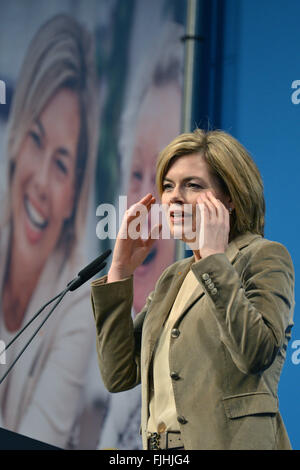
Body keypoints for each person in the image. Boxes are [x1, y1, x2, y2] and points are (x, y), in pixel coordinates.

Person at [91, 128, 295, 450]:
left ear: (230, 197)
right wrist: (120, 272)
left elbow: (255, 353)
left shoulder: (263, 256)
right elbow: (119, 374)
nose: (173, 196)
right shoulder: (173, 278)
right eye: (168, 186)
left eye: (192, 185)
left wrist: (214, 258)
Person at [0, 14, 100, 448]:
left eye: (61, 164)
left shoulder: (79, 299)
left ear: (76, 188)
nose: (40, 181)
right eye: (36, 138)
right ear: (16, 138)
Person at [97, 21, 183, 450]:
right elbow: (116, 376)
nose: (147, 203)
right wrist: (118, 269)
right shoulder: (154, 308)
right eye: (136, 174)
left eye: (165, 182)